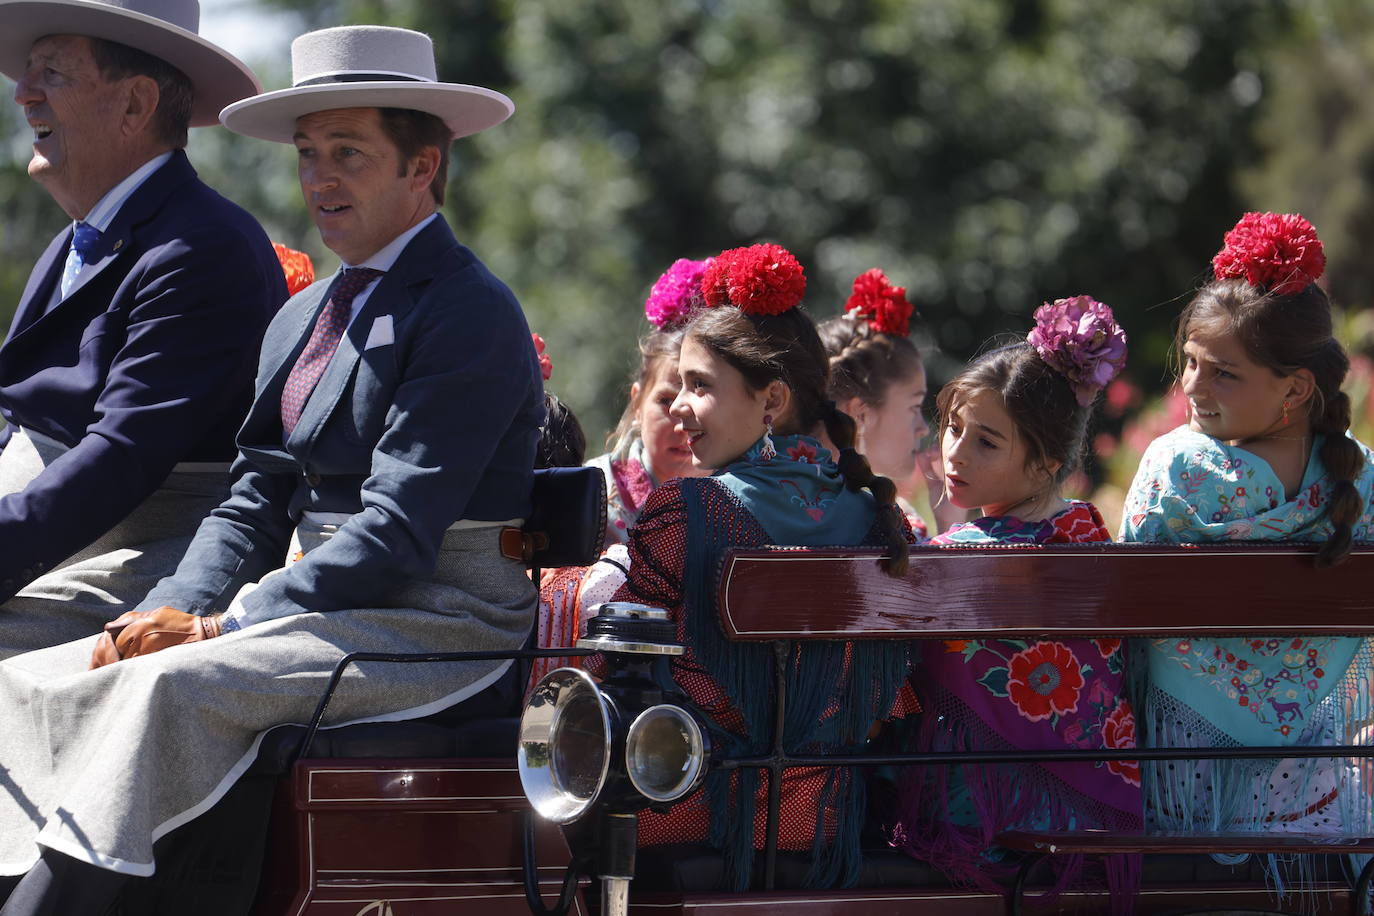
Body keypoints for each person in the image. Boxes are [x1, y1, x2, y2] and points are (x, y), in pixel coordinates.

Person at [0, 25, 542, 913]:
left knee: (171, 686)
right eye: (307, 155)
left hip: (443, 618)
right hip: (331, 605)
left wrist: (223, 625)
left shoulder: (469, 311)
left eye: (349, 153)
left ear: (422, 166)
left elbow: (400, 531)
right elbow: (252, 497)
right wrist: (162, 608)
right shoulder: (303, 319)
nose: (320, 180)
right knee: (44, 673)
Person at [588, 242, 916, 890]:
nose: (679, 406)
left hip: (692, 815)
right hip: (824, 822)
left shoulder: (686, 514)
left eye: (700, 386)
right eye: (678, 384)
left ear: (771, 401)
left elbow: (618, 672)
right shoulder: (880, 520)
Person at [0, 0, 285, 656]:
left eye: (52, 73)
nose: (23, 95)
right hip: (54, 551)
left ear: (134, 105)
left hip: (136, 561)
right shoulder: (81, 238)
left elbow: (121, 459)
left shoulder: (203, 249)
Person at [1119, 212, 1374, 843]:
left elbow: (1125, 630)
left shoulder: (1173, 467)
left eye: (1222, 372)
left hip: (1179, 791)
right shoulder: (1361, 482)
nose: (1192, 386)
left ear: (1295, 389)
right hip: (1316, 797)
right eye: (1191, 363)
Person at [894, 297, 1141, 900]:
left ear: (1044, 465)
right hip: (1091, 813)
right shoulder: (1087, 532)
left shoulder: (957, 556)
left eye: (986, 443)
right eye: (953, 428)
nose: (954, 452)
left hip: (981, 818)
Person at [532, 258, 711, 683]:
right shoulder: (591, 489)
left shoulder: (730, 499)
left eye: (700, 400)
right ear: (637, 400)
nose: (681, 418)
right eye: (665, 401)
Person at [820, 268, 936, 538]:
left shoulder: (779, 498)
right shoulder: (891, 526)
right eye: (913, 408)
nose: (923, 428)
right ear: (860, 414)